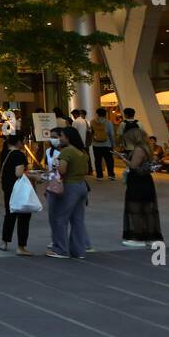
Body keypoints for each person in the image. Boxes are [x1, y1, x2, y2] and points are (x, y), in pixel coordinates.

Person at [45, 126, 89, 259]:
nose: (60, 139)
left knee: (60, 217)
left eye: (62, 136)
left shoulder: (67, 151)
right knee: (77, 220)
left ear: (68, 137)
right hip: (82, 185)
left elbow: (62, 170)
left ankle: (60, 249)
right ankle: (79, 250)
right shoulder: (82, 152)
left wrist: (56, 165)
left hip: (69, 187)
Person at [119, 124, 164, 247]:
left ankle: (138, 237)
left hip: (137, 181)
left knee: (135, 209)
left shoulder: (139, 149)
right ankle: (151, 236)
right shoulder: (147, 148)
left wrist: (124, 160)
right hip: (145, 181)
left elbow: (133, 166)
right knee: (147, 210)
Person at [0, 133, 34, 256]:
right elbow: (19, 173)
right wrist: (34, 176)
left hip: (7, 188)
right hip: (18, 189)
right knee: (24, 216)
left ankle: (4, 242)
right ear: (18, 142)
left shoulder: (5, 152)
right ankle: (21, 246)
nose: (24, 143)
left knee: (9, 214)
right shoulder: (19, 155)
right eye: (24, 140)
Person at [90, 107, 116, 181]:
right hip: (107, 145)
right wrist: (113, 144)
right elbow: (111, 134)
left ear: (97, 114)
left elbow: (90, 132)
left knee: (98, 160)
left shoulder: (92, 122)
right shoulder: (108, 122)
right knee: (109, 160)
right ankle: (111, 175)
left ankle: (99, 175)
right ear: (105, 114)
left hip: (96, 144)